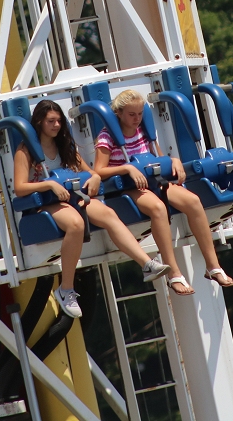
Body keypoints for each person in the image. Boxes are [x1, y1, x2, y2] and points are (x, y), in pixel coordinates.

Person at [13, 99, 170, 318]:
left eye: (59, 121)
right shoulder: (26, 151)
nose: (56, 125)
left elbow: (89, 171)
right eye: (51, 121)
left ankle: (146, 264)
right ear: (39, 122)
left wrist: (95, 178)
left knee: (108, 214)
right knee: (76, 224)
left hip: (72, 197)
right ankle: (66, 289)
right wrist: (50, 184)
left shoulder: (65, 145)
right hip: (44, 202)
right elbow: (20, 188)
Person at [92, 89, 233, 296]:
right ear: (119, 113)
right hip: (128, 187)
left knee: (193, 201)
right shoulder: (107, 136)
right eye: (132, 114)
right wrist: (127, 168)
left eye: (140, 114)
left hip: (153, 181)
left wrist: (174, 161)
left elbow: (158, 157)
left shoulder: (143, 130)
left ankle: (213, 267)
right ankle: (174, 274)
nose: (136, 119)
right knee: (158, 208)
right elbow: (98, 171)